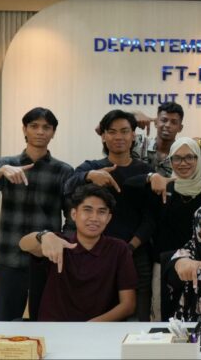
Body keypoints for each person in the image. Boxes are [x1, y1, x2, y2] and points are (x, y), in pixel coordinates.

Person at [0, 107, 73, 321]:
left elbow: (72, 215)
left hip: (46, 259)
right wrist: (0, 172)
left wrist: (62, 244)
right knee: (5, 322)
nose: (40, 131)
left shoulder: (63, 171)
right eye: (34, 126)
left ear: (53, 133)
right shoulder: (5, 165)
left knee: (46, 320)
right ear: (24, 130)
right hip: (10, 255)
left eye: (46, 127)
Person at [63, 109, 156, 321]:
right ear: (103, 136)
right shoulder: (92, 167)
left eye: (124, 131)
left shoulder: (146, 170)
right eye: (112, 132)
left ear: (133, 135)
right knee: (97, 315)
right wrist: (89, 176)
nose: (118, 137)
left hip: (136, 255)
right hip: (97, 255)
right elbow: (67, 187)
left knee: (137, 320)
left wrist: (128, 248)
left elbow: (150, 219)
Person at [19, 185, 137, 321]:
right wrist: (43, 236)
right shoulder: (57, 242)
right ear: (74, 214)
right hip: (54, 328)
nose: (94, 218)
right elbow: (23, 244)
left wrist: (90, 326)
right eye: (87, 210)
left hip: (98, 329)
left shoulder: (119, 249)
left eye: (101, 212)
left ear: (108, 218)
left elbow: (128, 304)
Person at [150, 137, 201, 321]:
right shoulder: (162, 189)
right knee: (164, 319)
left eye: (190, 157)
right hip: (165, 264)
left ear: (198, 159)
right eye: (177, 158)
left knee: (199, 318)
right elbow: (129, 185)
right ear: (170, 160)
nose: (183, 163)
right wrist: (151, 176)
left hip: (200, 264)